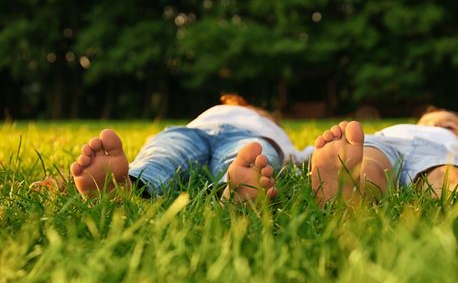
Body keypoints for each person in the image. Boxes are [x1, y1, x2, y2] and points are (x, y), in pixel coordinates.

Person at [65, 95, 313, 202]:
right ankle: (128, 183)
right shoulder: (218, 111)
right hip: (193, 132)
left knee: (254, 158)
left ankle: (235, 189)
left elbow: (303, 157)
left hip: (252, 139)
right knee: (166, 152)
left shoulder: (273, 129)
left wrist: (326, 152)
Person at [310, 107, 458, 204]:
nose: (437, 124)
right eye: (430, 122)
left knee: (446, 175)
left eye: (449, 124)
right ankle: (350, 189)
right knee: (369, 162)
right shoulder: (401, 129)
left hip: (444, 155)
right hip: (386, 142)